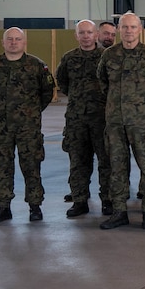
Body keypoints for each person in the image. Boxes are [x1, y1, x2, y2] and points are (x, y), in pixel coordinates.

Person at [96, 13, 145, 229]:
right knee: (117, 166)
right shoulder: (109, 56)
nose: (128, 31)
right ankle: (119, 211)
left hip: (142, 123)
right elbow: (102, 84)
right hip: (116, 123)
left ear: (140, 30)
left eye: (132, 27)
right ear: (119, 30)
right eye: (125, 27)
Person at [0, 28, 55, 224]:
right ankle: (3, 207)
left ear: (24, 42)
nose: (13, 42)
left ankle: (35, 206)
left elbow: (46, 93)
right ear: (3, 43)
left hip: (28, 128)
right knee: (1, 167)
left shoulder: (36, 65)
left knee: (31, 166)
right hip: (0, 127)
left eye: (17, 39)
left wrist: (31, 112)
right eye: (9, 39)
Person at [55, 20, 111, 218]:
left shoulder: (107, 56)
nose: (86, 36)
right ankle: (80, 200)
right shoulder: (69, 58)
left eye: (89, 32)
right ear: (76, 36)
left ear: (96, 34)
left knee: (106, 160)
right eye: (82, 33)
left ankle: (107, 200)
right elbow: (62, 81)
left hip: (102, 118)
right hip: (76, 119)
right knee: (78, 161)